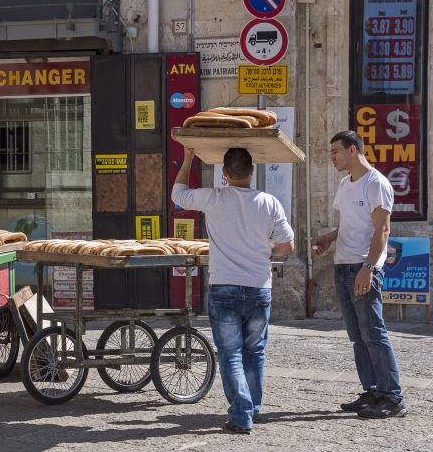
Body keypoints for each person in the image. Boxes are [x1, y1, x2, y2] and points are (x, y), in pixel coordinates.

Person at [172, 147, 294, 433]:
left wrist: (188, 158)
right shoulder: (269, 202)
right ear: (252, 171)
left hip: (224, 286)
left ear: (224, 175)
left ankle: (241, 414)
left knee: (230, 353)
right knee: (255, 351)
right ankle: (252, 408)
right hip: (259, 286)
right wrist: (267, 252)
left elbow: (178, 193)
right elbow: (287, 246)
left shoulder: (213, 198)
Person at [313, 131, 406, 418]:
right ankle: (373, 390)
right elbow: (352, 224)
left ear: (353, 150)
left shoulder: (376, 183)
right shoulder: (345, 184)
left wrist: (368, 267)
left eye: (335, 151)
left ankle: (392, 397)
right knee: (358, 336)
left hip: (363, 268)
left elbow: (382, 230)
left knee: (374, 333)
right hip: (343, 265)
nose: (331, 157)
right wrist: (331, 237)